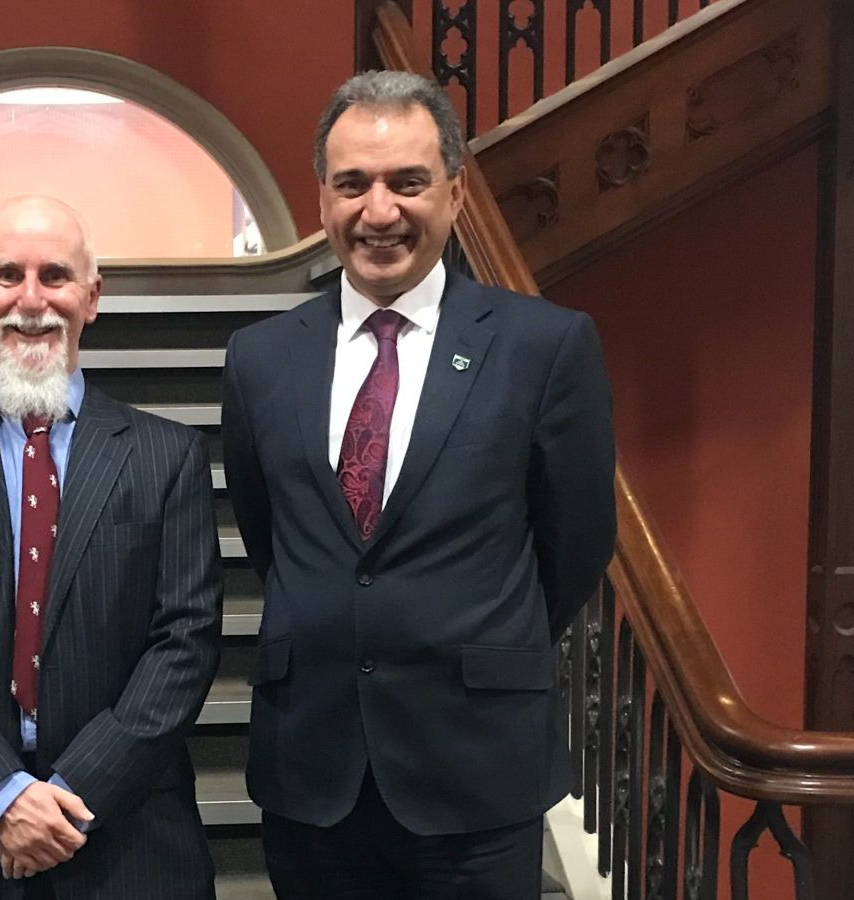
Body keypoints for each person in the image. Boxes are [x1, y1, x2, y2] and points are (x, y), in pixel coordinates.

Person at [221, 71, 616, 899]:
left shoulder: (544, 347)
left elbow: (574, 542)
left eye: (409, 182)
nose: (380, 211)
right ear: (321, 196)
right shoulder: (259, 359)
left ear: (456, 192)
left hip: (474, 770)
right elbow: (275, 537)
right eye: (353, 183)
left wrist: (473, 635)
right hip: (312, 773)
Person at [0, 195, 223, 899]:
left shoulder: (168, 456)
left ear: (93, 297)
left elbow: (187, 641)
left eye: (55, 274)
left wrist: (73, 792)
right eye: (6, 275)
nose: (31, 300)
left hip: (133, 836)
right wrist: (5, 797)